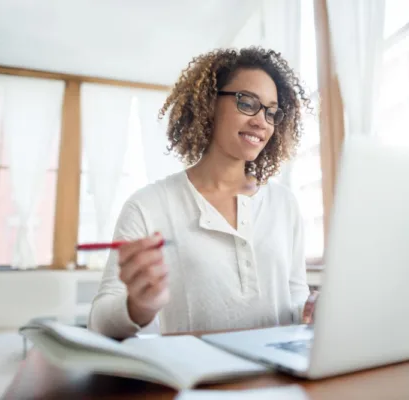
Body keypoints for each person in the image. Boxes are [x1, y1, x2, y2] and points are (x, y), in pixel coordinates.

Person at [88, 47, 317, 339]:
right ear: (210, 103)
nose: (261, 121)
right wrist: (137, 306)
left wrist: (311, 310)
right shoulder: (148, 206)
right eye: (247, 102)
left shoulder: (284, 204)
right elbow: (99, 323)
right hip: (195, 380)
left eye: (271, 112)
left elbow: (295, 298)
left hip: (278, 377)